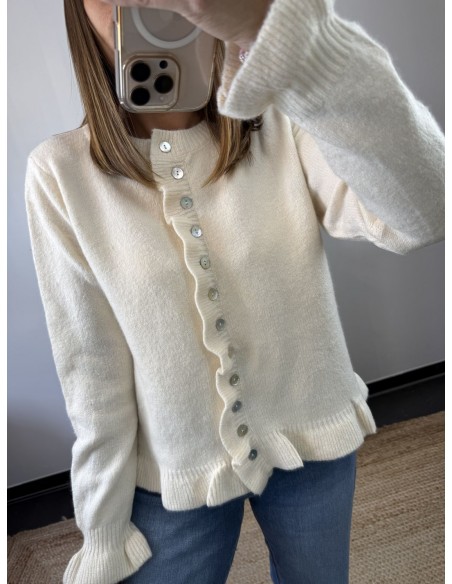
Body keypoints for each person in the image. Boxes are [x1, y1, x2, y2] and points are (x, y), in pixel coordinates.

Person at [24, 0, 444, 582]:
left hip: (313, 437)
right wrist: (102, 533)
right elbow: (91, 374)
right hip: (174, 471)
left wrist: (300, 42)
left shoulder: (285, 117)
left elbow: (425, 214)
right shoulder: (60, 174)